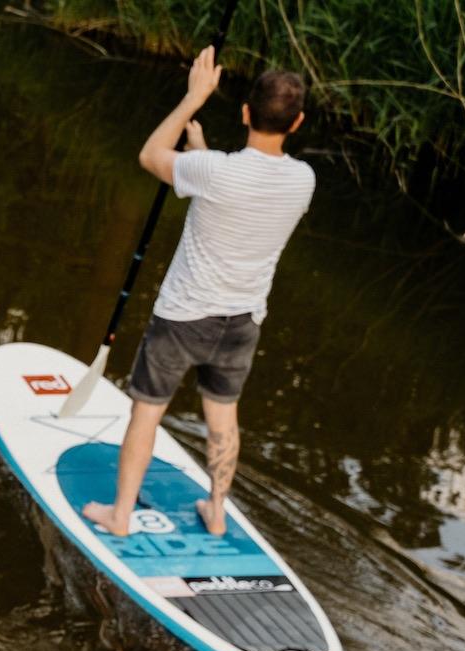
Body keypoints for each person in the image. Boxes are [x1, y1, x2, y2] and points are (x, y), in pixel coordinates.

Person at [81, 48, 313, 539]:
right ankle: (218, 509)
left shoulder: (214, 172)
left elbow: (150, 156)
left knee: (147, 411)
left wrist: (194, 98)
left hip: (184, 316)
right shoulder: (303, 180)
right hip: (243, 320)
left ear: (246, 112)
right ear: (297, 124)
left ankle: (120, 515)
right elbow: (233, 181)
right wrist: (202, 151)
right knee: (223, 417)